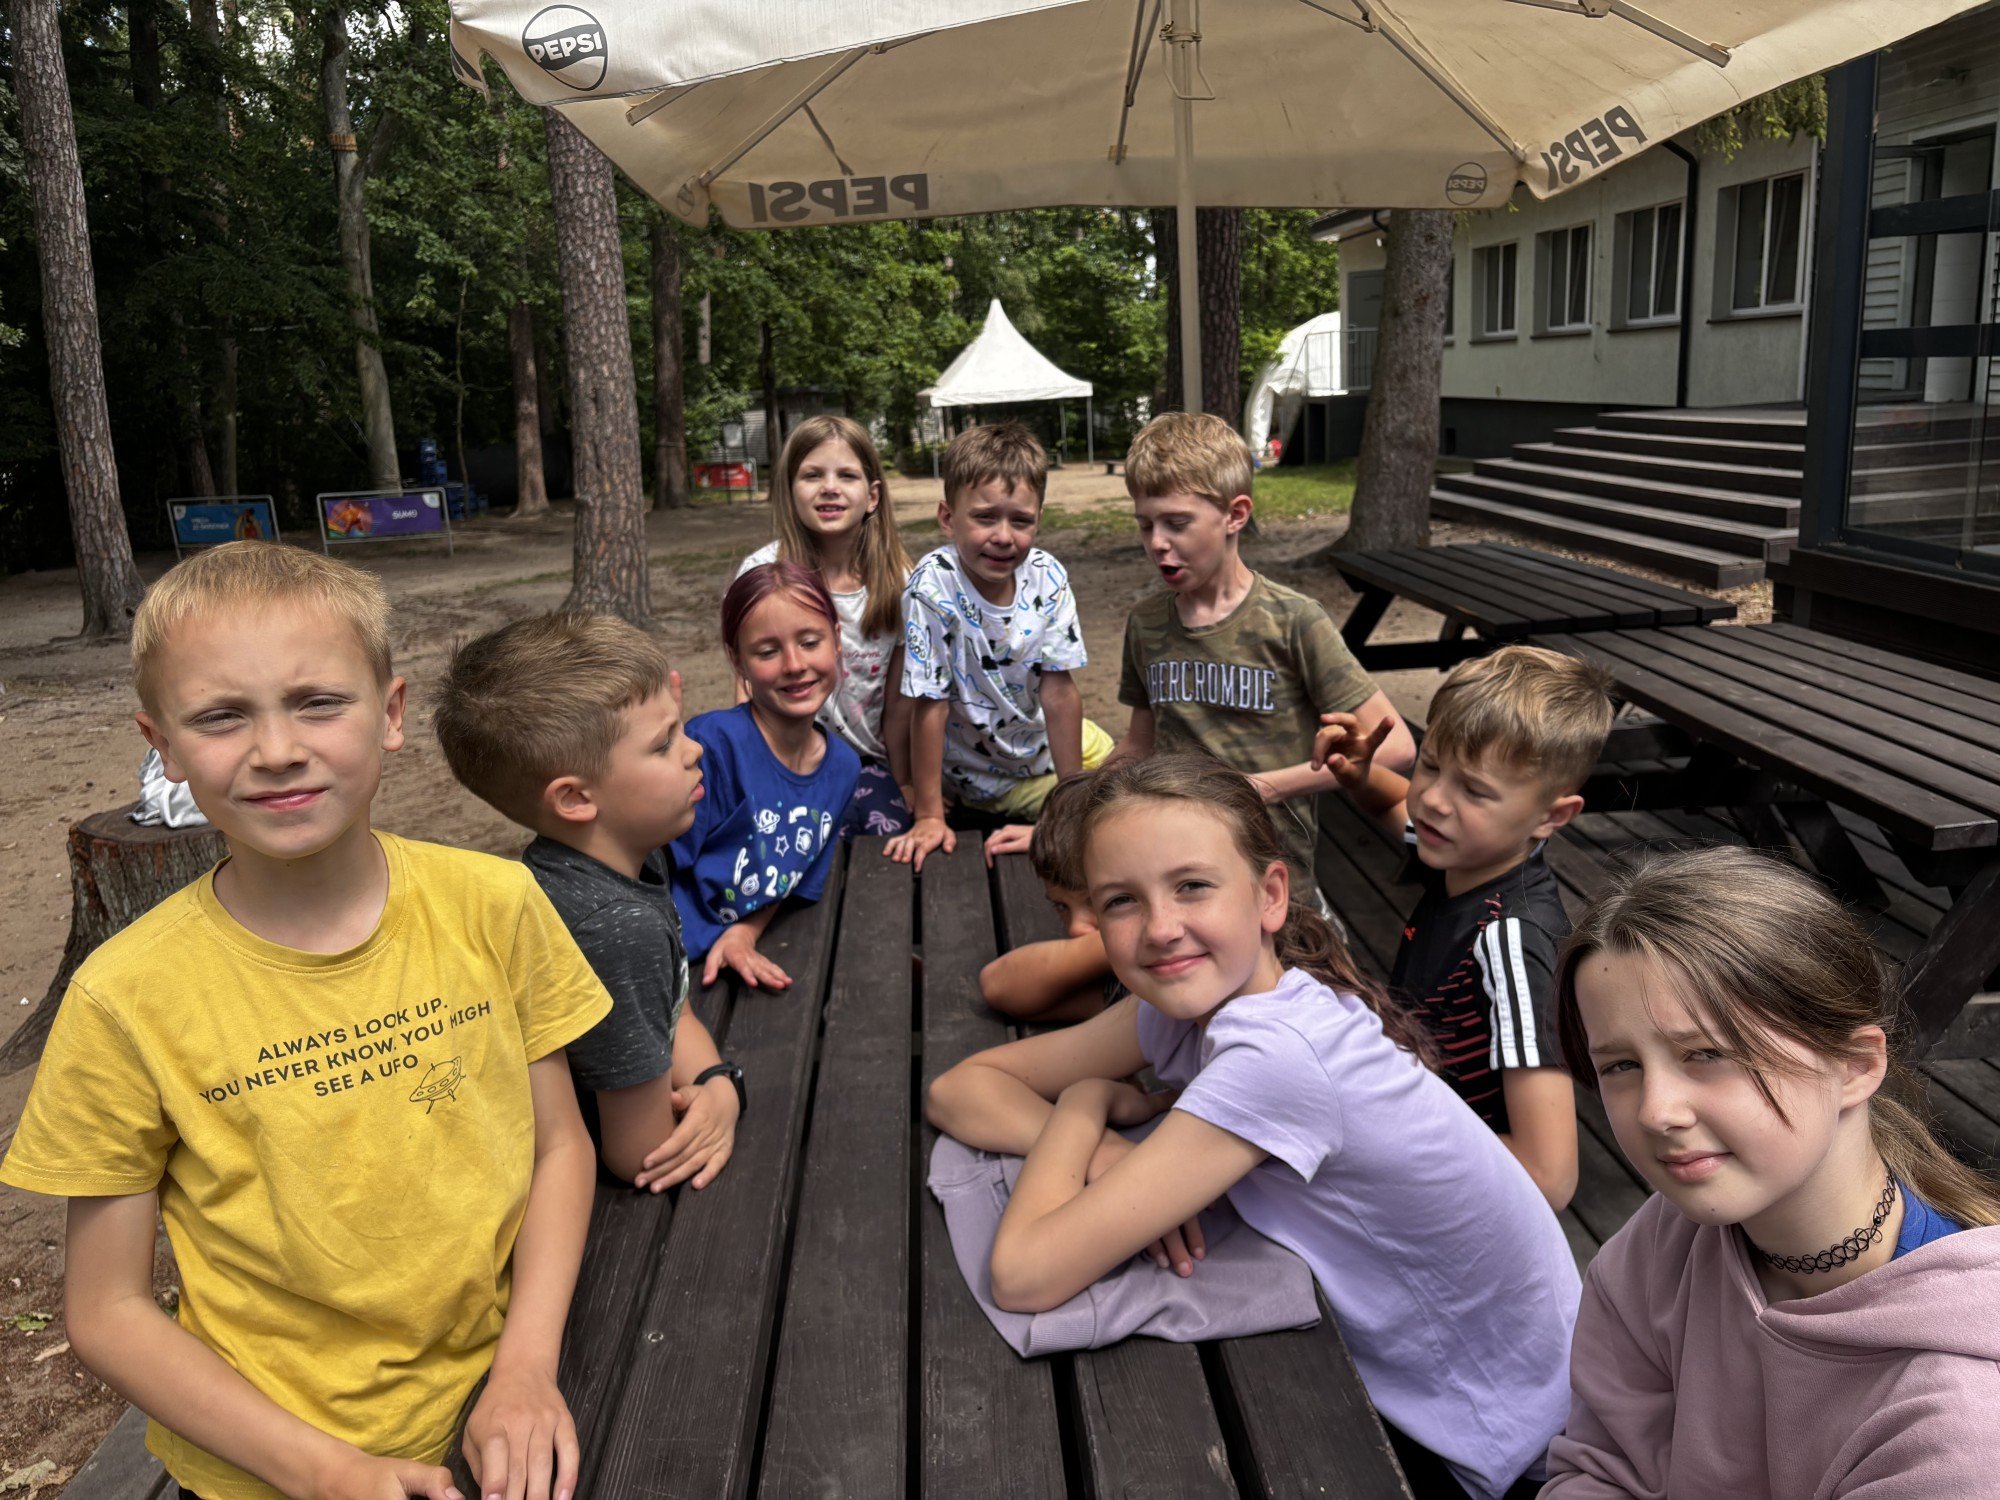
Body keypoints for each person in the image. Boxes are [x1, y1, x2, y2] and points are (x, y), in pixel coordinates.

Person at [0, 542, 609, 1500]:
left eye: (318, 701)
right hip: (273, 1467)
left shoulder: (497, 905)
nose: (278, 749)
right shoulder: (123, 1000)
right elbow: (107, 1309)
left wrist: (526, 1369)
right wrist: (327, 1472)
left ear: (392, 713)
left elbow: (558, 1146)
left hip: (509, 1399)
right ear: (162, 747)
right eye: (221, 716)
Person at [927, 755, 1579, 1500]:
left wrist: (1080, 1103)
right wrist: (1101, 1147)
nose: (1160, 928)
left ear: (1270, 895)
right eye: (1122, 901)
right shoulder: (1200, 1002)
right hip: (1484, 1387)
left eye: (1192, 886)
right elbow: (960, 1088)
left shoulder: (1279, 1059)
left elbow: (1023, 1276)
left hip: (1508, 1439)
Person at [1545, 846, 2000, 1497]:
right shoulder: (1662, 1245)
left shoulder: (1958, 1429)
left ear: (1856, 1066)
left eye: (1707, 1053)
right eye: (1621, 1066)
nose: (1656, 1111)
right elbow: (1598, 1468)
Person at [434, 613, 744, 1196]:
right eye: (664, 744)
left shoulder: (611, 861)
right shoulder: (613, 928)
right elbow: (642, 1154)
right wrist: (723, 1104)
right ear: (575, 799)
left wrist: (716, 1079)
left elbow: (672, 1010)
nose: (695, 749)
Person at [1313, 644, 1612, 1211]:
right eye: (1429, 764)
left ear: (1552, 816)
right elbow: (1398, 810)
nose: (1432, 801)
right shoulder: (1470, 853)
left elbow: (1549, 1176)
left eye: (1473, 790)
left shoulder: (1510, 943)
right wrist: (1360, 778)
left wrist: (1383, 1145)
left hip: (1442, 1195)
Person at [1110, 411, 1415, 906]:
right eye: (1145, 525)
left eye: (1177, 523)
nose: (1157, 543)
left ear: (1235, 515)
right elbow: (1139, 743)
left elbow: (1397, 746)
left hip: (1276, 878)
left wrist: (1267, 788)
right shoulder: (1146, 623)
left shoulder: (1293, 621)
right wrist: (1075, 804)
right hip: (1177, 870)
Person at [885, 422, 1112, 871]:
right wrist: (928, 814)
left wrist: (1069, 799)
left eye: (1020, 520)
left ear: (1039, 518)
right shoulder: (932, 588)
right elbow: (928, 703)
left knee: (1129, 773)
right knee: (1110, 816)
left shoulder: (1048, 576)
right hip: (987, 773)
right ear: (948, 517)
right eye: (985, 517)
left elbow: (1059, 692)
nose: (1004, 536)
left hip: (1038, 739)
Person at [673, 561, 860, 989]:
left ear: (837, 640)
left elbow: (790, 879)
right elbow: (646, 872)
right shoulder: (712, 747)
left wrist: (744, 932)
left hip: (734, 962)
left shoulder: (844, 768)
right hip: (660, 962)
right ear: (737, 660)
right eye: (767, 651)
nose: (794, 664)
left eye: (810, 642)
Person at [736, 415, 916, 838]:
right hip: (782, 760)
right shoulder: (761, 574)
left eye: (846, 475)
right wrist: (752, 776)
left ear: (872, 496)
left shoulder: (899, 583)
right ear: (790, 490)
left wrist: (906, 782)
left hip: (868, 764)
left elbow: (898, 705)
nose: (829, 487)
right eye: (812, 475)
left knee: (890, 843)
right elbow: (746, 689)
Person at [978, 774, 1116, 1024]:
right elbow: (996, 984)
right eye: (1061, 906)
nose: (1075, 928)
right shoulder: (1118, 982)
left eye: (1094, 902)